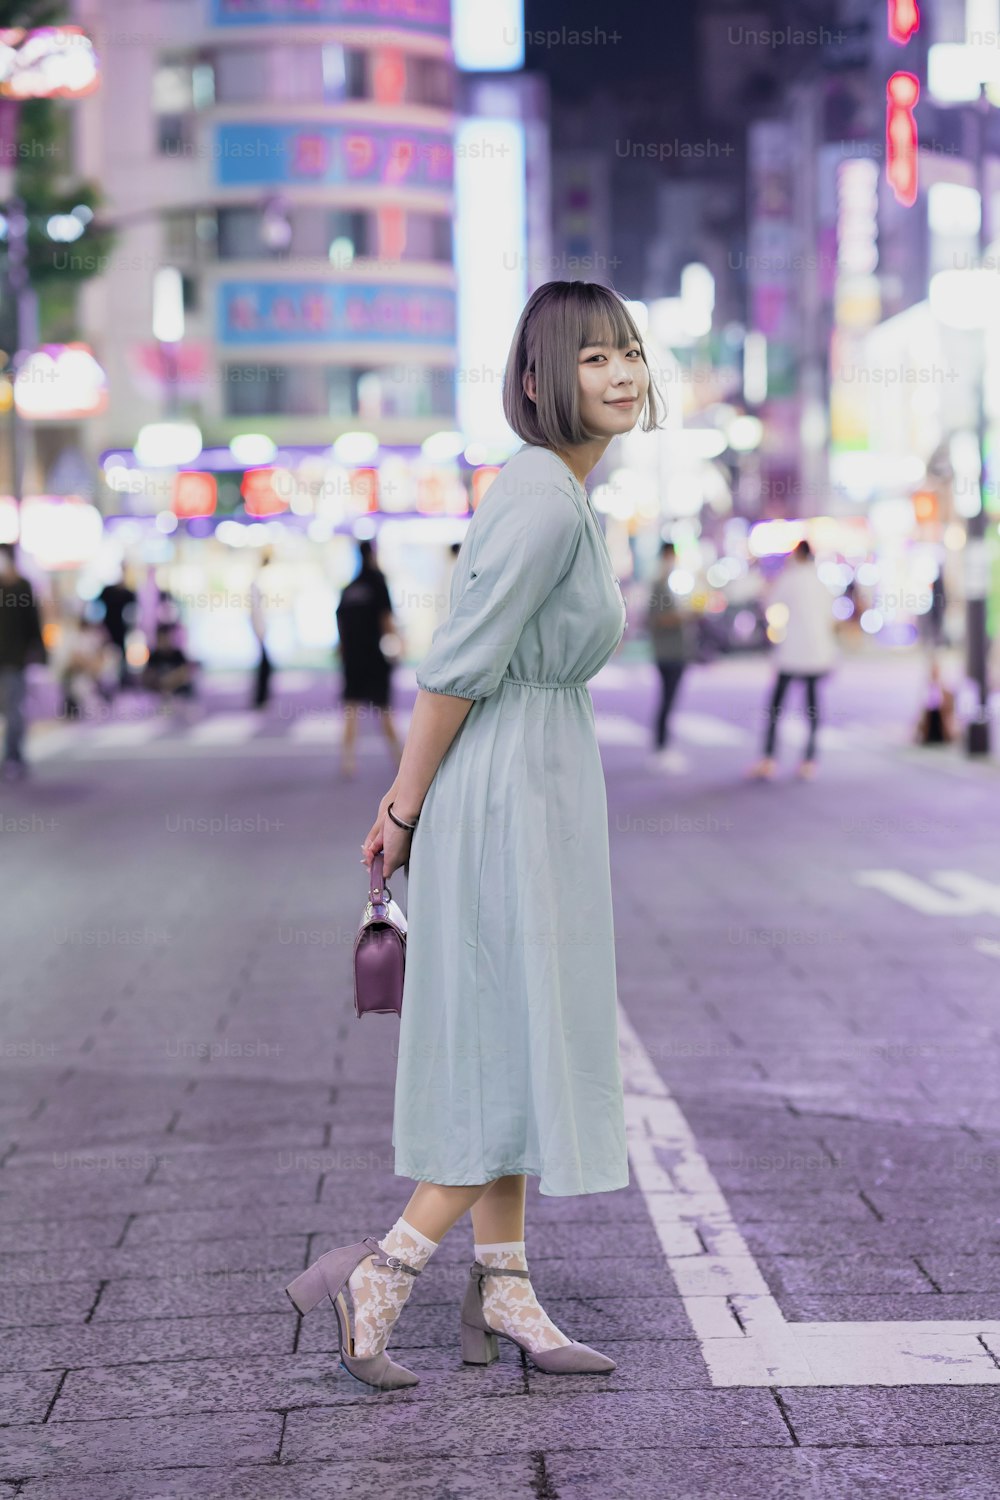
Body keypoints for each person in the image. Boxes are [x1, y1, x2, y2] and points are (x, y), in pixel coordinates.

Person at [283, 281, 663, 1390]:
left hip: (533, 779)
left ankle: (506, 1291)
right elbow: (454, 667)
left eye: (631, 352)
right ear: (540, 379)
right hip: (503, 786)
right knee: (506, 1038)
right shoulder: (544, 500)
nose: (623, 373)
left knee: (515, 1027)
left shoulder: (555, 495)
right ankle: (382, 1273)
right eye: (594, 358)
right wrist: (402, 808)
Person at [749, 538, 837, 780]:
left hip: (792, 653)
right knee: (812, 707)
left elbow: (769, 601)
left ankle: (768, 758)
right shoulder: (821, 582)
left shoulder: (790, 578)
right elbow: (830, 620)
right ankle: (809, 760)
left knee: (776, 706)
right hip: (817, 653)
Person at [335, 537, 402, 776]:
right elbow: (387, 620)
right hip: (373, 657)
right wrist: (398, 646)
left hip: (352, 659)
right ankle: (400, 759)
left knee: (352, 709)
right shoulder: (377, 582)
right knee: (384, 710)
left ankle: (348, 761)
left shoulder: (349, 588)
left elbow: (340, 625)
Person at [647, 539, 695, 770]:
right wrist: (683, 617)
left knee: (669, 700)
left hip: (675, 651)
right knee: (667, 699)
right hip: (667, 652)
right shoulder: (660, 585)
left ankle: (663, 744)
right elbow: (655, 619)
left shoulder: (670, 584)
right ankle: (661, 746)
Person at [0, 543, 46, 779]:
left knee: (13, 710)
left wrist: (39, 652)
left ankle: (13, 756)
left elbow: (33, 622)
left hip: (13, 660)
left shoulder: (22, 586)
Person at [143, 623, 197, 713]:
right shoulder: (153, 657)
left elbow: (184, 675)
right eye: (161, 638)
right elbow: (148, 679)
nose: (163, 641)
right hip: (159, 698)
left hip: (180, 697)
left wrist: (169, 681)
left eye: (165, 638)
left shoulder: (178, 655)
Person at [98, 571, 137, 689]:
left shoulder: (129, 594)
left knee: (120, 657)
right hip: (106, 631)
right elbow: (96, 608)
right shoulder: (107, 591)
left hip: (121, 632)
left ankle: (119, 683)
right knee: (105, 657)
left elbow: (133, 613)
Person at [250, 550, 275, 709]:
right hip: (259, 627)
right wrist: (259, 630)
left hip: (260, 627)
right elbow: (255, 609)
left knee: (265, 665)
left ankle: (262, 697)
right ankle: (260, 698)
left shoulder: (259, 580)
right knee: (265, 666)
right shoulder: (256, 582)